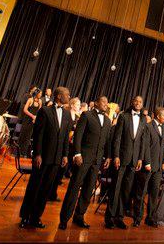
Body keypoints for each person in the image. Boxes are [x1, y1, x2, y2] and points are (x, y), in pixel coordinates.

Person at [18, 87, 71, 229]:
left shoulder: (67, 114)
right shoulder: (45, 111)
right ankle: (25, 216)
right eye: (67, 94)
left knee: (45, 189)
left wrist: (65, 155)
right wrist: (37, 154)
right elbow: (38, 134)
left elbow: (65, 137)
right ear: (59, 96)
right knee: (34, 187)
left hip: (56, 158)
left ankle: (36, 217)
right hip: (43, 157)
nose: (69, 96)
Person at [58, 95, 112, 230]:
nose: (105, 104)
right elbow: (78, 135)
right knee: (74, 187)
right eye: (103, 102)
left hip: (97, 161)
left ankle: (79, 216)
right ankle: (64, 219)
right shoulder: (87, 115)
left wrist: (108, 157)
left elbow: (107, 141)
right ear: (96, 103)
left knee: (88, 190)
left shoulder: (107, 121)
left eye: (107, 103)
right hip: (83, 158)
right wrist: (77, 153)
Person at [105, 95, 146, 229]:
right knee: (116, 188)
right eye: (136, 101)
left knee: (126, 191)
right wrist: (116, 155)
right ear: (132, 102)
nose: (138, 103)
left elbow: (142, 141)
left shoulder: (143, 119)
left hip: (134, 160)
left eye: (140, 102)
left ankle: (119, 217)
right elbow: (117, 138)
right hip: (121, 158)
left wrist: (140, 158)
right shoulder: (123, 116)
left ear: (142, 104)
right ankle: (110, 218)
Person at [134, 106, 164, 227]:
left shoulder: (163, 128)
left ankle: (151, 218)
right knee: (142, 192)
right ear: (158, 116)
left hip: (158, 166)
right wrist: (147, 162)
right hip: (148, 165)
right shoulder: (148, 127)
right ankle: (137, 218)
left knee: (154, 193)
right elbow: (145, 146)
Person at [47, 96, 82, 201]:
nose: (79, 106)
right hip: (62, 144)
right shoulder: (66, 114)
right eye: (77, 104)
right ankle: (48, 192)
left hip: (71, 146)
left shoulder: (78, 117)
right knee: (55, 170)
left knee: (62, 170)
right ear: (72, 105)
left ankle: (53, 193)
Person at [18, 87, 43, 155]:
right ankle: (18, 151)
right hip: (27, 119)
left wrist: (36, 118)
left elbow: (39, 111)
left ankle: (24, 152)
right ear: (36, 93)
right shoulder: (30, 99)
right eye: (40, 93)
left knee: (28, 137)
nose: (41, 95)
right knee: (23, 134)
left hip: (33, 121)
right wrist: (32, 116)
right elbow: (25, 110)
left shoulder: (40, 101)